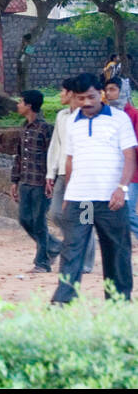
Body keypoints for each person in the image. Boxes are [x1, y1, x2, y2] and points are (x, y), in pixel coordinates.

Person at [51, 72, 138, 304]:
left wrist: (122, 188)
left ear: (100, 93)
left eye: (90, 97)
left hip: (110, 200)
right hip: (82, 201)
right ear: (74, 98)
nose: (86, 103)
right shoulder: (71, 121)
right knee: (73, 250)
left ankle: (119, 301)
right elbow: (70, 160)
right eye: (80, 98)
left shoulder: (119, 119)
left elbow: (129, 156)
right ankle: (63, 301)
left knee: (116, 251)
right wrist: (68, 194)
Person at [47, 77, 93, 274]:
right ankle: (74, 242)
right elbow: (56, 146)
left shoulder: (88, 117)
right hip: (63, 174)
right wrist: (51, 173)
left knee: (85, 217)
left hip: (84, 176)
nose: (60, 95)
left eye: (62, 91)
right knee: (55, 213)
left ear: (72, 94)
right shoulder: (62, 116)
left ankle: (86, 262)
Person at [11, 90, 59, 272]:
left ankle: (42, 263)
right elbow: (19, 156)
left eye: (20, 102)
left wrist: (51, 180)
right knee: (24, 219)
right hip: (25, 182)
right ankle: (53, 246)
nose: (18, 105)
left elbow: (52, 156)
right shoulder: (23, 128)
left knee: (39, 222)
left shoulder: (45, 129)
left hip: (40, 182)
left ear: (29, 105)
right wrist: (14, 181)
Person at [104, 78, 138, 245]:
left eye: (113, 89)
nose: (109, 93)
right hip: (106, 174)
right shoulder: (103, 115)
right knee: (87, 220)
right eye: (107, 90)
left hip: (130, 174)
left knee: (127, 211)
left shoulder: (132, 115)